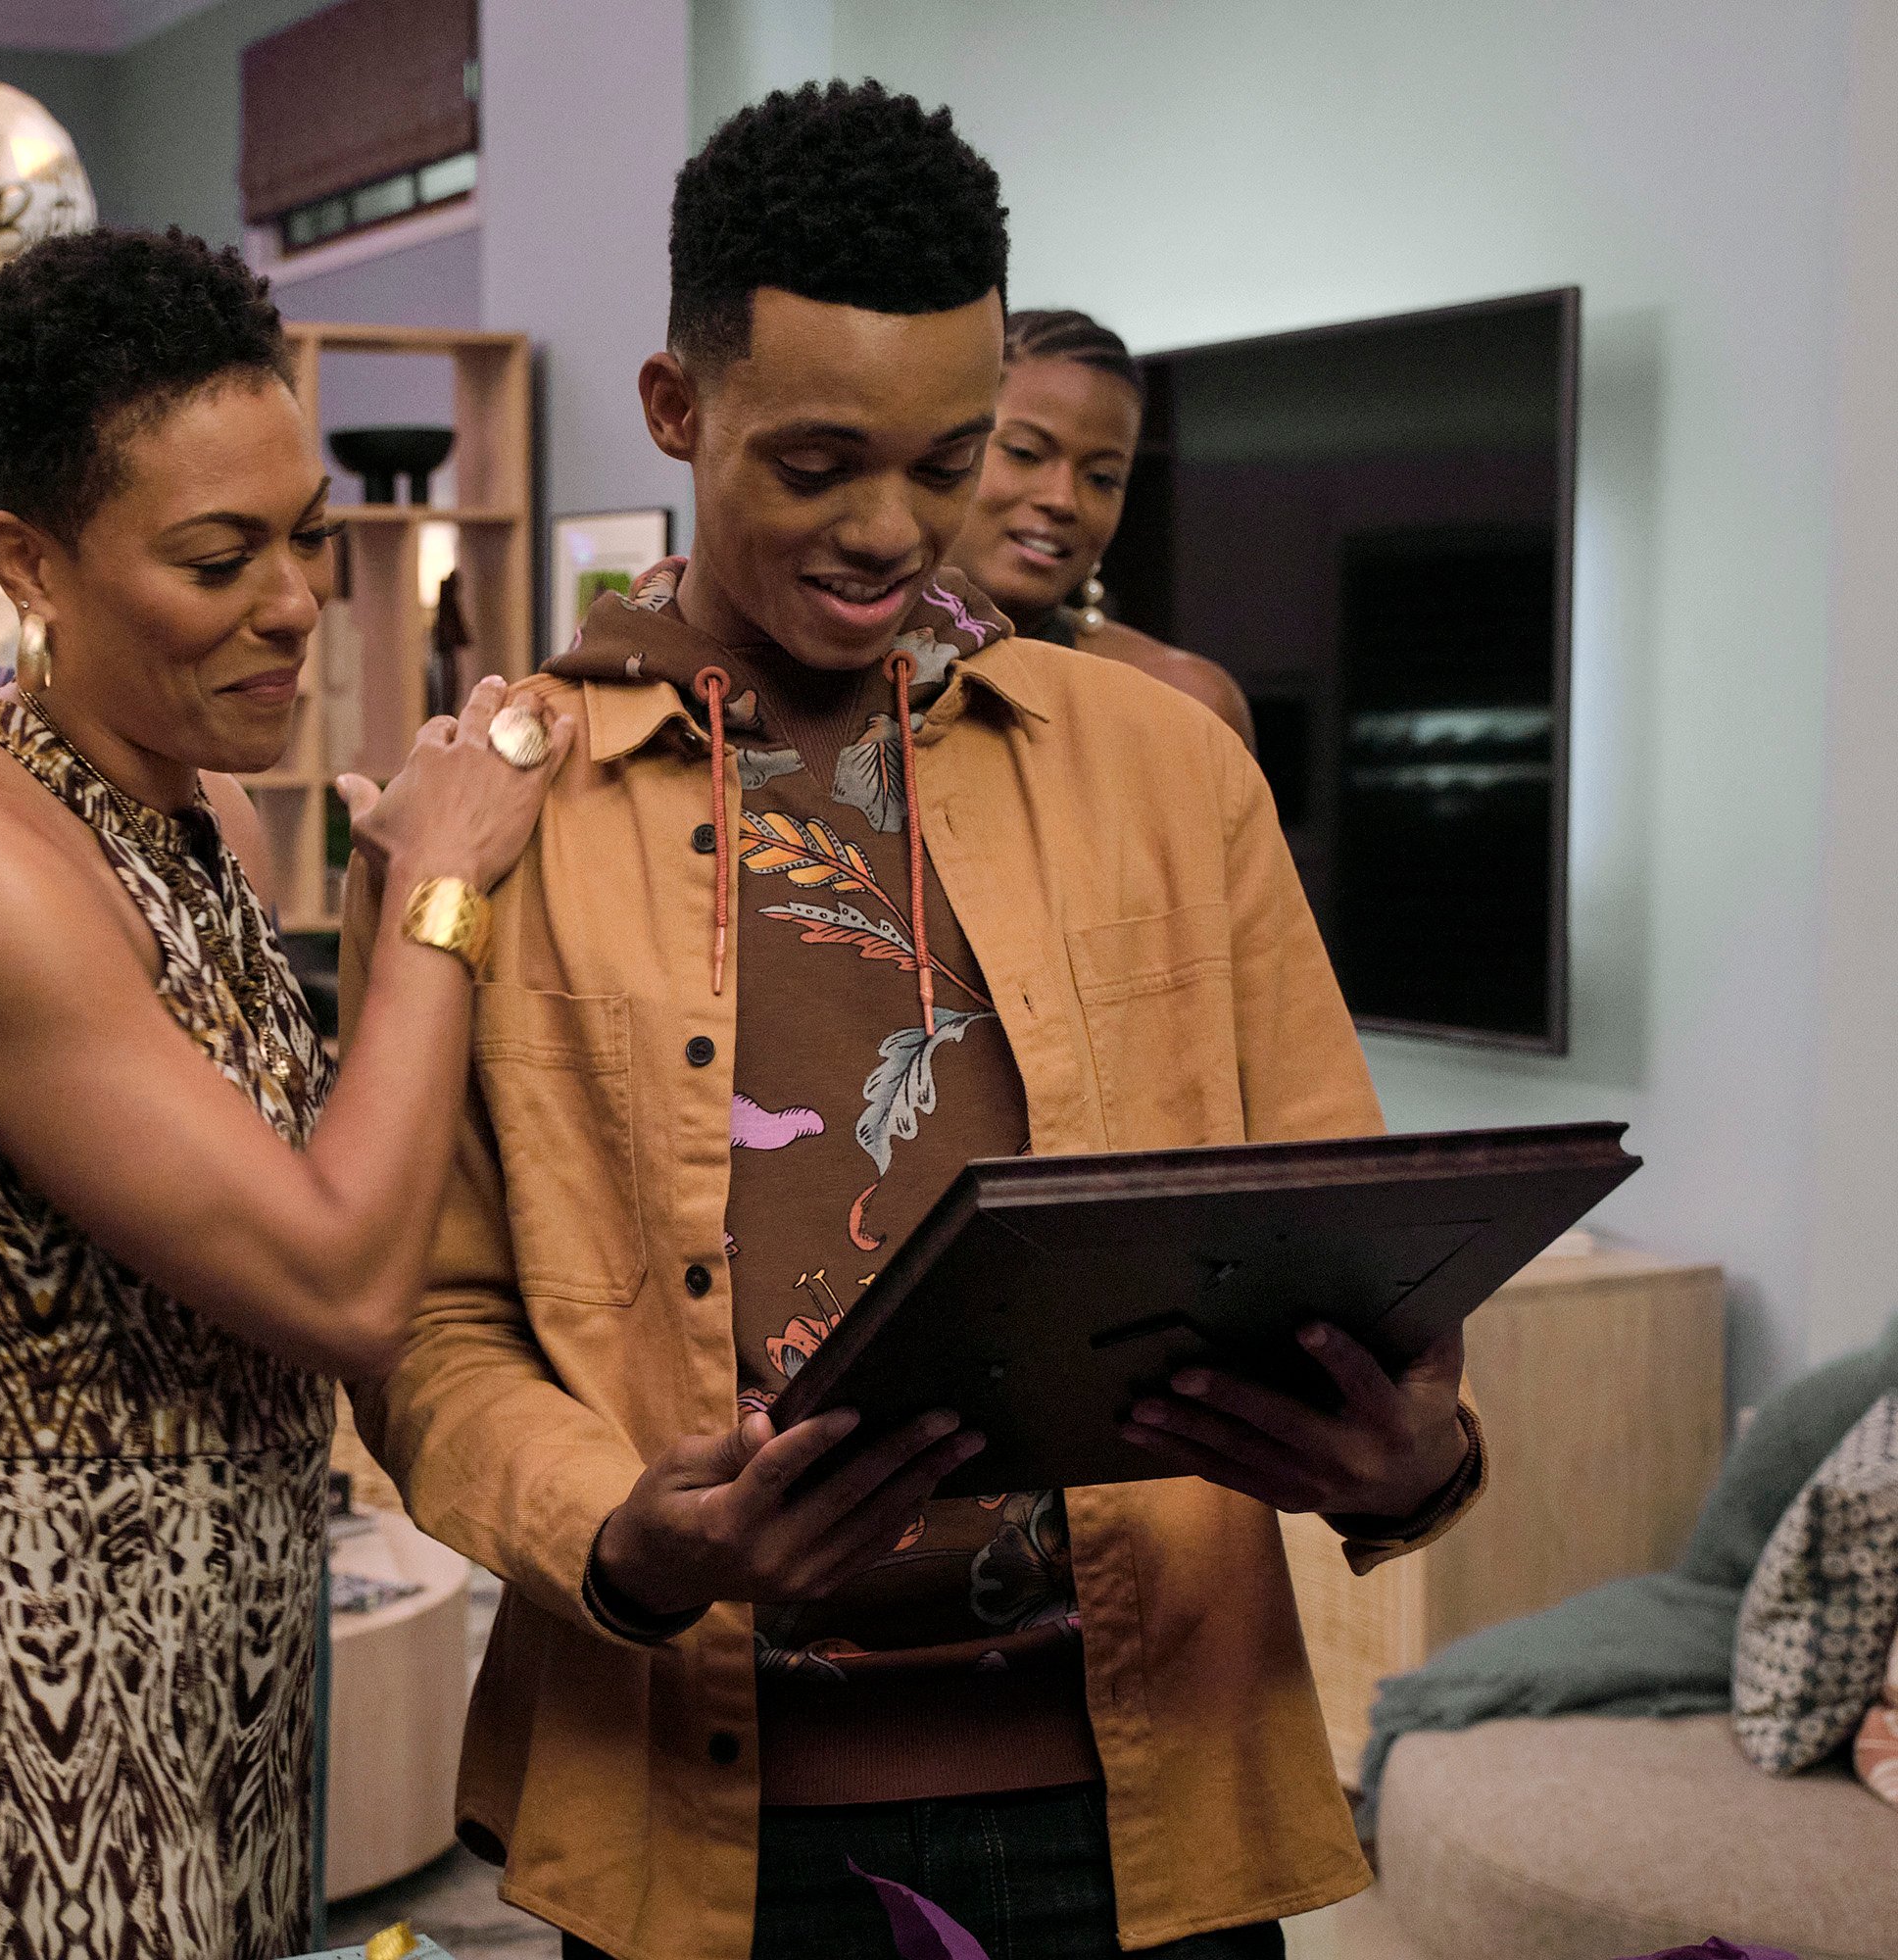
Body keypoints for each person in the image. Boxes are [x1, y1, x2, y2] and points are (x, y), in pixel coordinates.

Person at [351, 84, 1483, 1960]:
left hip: (1148, 1804)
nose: (891, 534)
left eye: (947, 462)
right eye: (814, 467)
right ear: (674, 410)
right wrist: (622, 1534)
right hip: (702, 1821)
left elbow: (1338, 1242)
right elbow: (429, 1325)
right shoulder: (504, 807)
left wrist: (1413, 1457)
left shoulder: (1169, 773)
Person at [0, 226, 569, 1960]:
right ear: (28, 561)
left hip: (227, 1651)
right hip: (11, 1702)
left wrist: (375, 904)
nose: (292, 602)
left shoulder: (195, 805)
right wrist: (446, 887)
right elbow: (343, 1281)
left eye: (308, 537)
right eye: (219, 560)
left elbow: (301, 1165)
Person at [948, 308, 1255, 749]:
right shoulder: (841, 667)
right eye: (1025, 453)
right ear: (945, 449)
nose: (1063, 500)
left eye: (1102, 478)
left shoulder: (1184, 705)